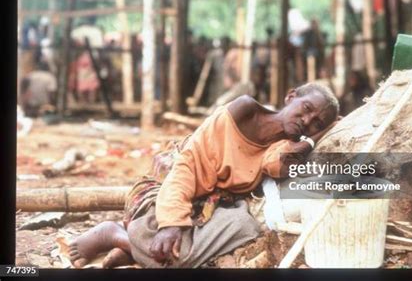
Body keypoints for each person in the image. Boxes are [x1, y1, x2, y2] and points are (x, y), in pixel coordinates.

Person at [68, 82, 340, 268]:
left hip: (208, 206)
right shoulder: (244, 110)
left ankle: (135, 251)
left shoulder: (283, 146)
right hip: (167, 186)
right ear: (291, 97)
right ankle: (115, 235)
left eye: (316, 122)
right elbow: (188, 166)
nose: (306, 121)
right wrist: (171, 222)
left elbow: (280, 166)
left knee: (245, 228)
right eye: (306, 109)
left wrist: (314, 138)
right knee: (177, 250)